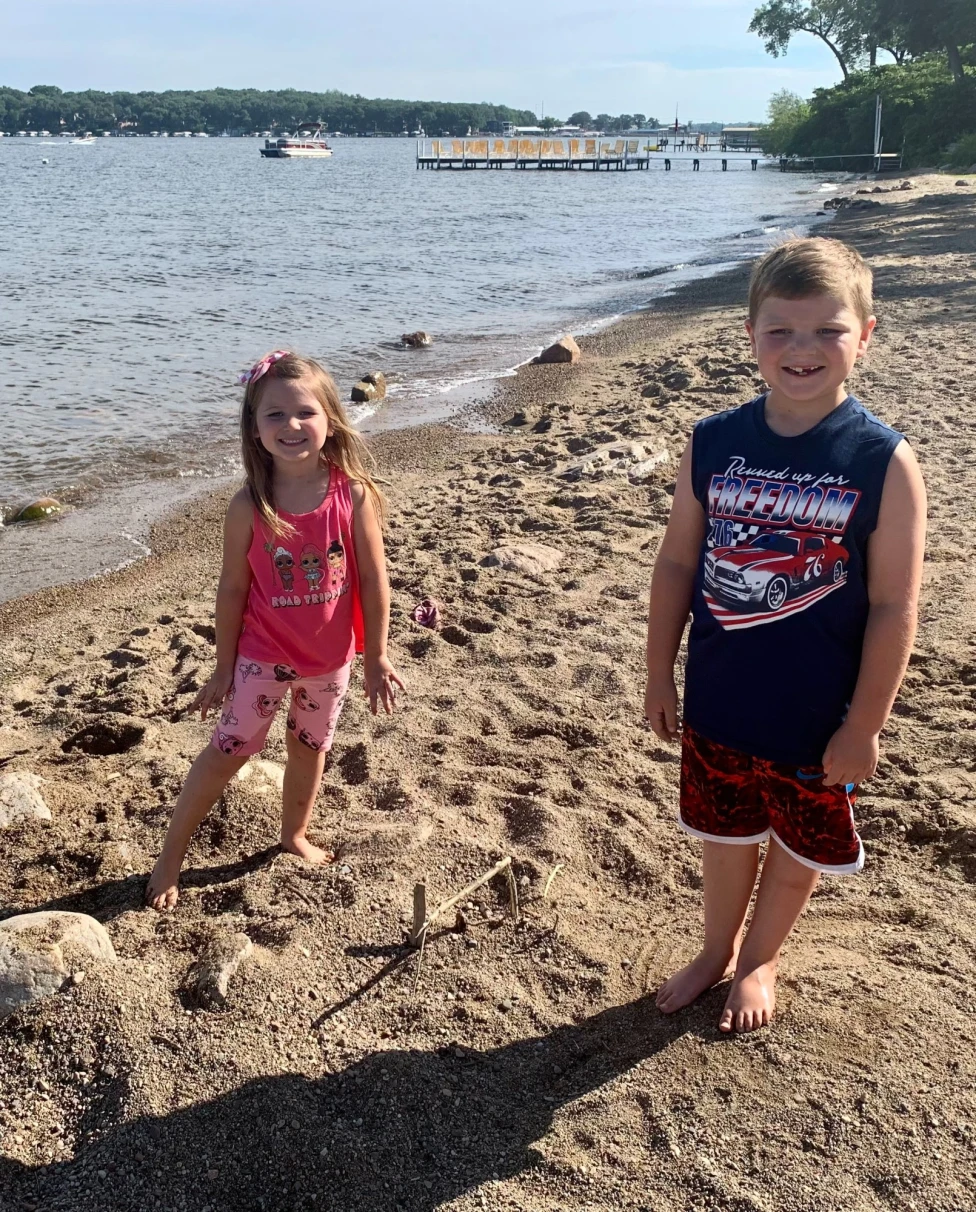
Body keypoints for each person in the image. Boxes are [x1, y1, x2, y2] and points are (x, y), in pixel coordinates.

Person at [644, 238, 926, 1033]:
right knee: (724, 835)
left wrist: (865, 724)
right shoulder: (714, 439)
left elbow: (892, 607)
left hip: (819, 715)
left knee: (798, 847)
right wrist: (659, 675)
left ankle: (761, 956)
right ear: (750, 335)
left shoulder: (883, 460)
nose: (802, 351)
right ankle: (716, 947)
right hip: (722, 700)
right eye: (781, 331)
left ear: (864, 336)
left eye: (828, 331)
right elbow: (676, 564)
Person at [146, 350, 403, 911]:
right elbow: (233, 590)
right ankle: (171, 858)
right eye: (274, 415)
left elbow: (372, 578)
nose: (291, 426)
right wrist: (222, 667)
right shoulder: (249, 506)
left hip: (330, 659)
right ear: (254, 428)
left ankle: (294, 835)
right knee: (229, 750)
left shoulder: (353, 494)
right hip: (263, 656)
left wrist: (377, 653)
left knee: (309, 748)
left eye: (304, 412)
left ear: (331, 418)